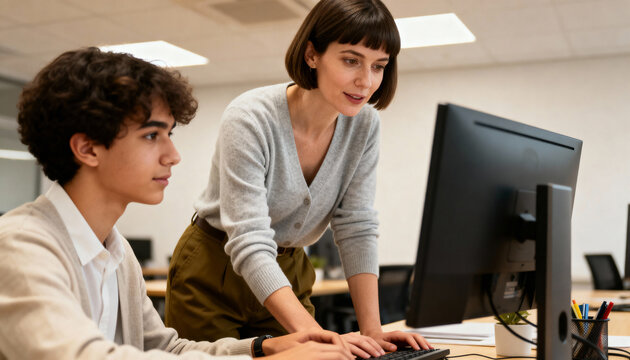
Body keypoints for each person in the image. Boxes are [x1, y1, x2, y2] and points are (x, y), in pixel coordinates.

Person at [0, 47, 354, 360]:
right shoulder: (20, 245)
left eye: (169, 134)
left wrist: (263, 348)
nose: (173, 155)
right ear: (88, 148)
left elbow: (165, 349)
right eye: (152, 136)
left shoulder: (115, 251)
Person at [165, 0, 430, 358]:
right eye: (351, 60)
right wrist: (320, 336)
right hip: (214, 268)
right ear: (312, 55)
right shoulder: (251, 117)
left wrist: (373, 333)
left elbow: (356, 225)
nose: (366, 81)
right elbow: (249, 238)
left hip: (288, 268)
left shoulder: (364, 125)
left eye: (378, 66)